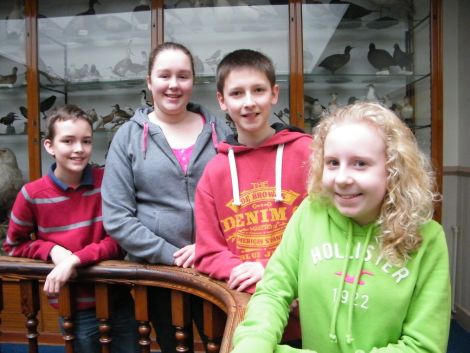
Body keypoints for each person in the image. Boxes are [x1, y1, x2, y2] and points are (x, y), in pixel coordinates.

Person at [230, 102, 451, 353]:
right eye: (333, 163)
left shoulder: (428, 238)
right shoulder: (310, 213)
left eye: (360, 164)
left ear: (393, 169)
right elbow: (272, 293)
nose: (342, 178)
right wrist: (253, 345)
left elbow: (423, 346)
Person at [101, 42, 232, 353]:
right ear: (149, 82)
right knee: (175, 348)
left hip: (216, 268)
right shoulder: (128, 136)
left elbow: (236, 202)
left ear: (193, 82)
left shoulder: (222, 131)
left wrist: (206, 248)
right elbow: (117, 217)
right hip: (159, 275)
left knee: (230, 344)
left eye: (183, 76)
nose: (174, 85)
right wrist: (172, 255)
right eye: (164, 76)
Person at [194, 49, 311, 344]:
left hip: (306, 310)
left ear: (274, 93)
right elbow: (208, 252)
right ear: (222, 100)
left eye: (258, 90)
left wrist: (274, 274)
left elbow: (328, 233)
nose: (248, 102)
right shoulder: (214, 172)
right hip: (246, 316)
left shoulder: (310, 154)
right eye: (237, 93)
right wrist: (250, 275)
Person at [3, 105, 139, 353]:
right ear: (49, 146)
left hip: (119, 299)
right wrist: (52, 250)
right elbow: (13, 244)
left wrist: (75, 259)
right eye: (68, 141)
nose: (79, 149)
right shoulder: (31, 195)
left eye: (86, 141)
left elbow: (120, 238)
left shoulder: (108, 181)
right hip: (74, 306)